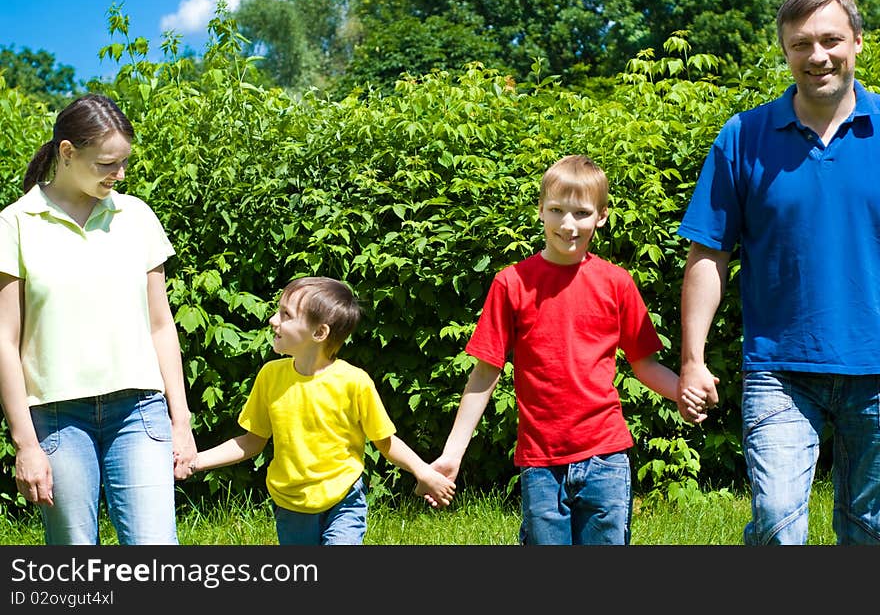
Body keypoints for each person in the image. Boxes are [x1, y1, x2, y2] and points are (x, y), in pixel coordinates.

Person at [677, 0, 880, 545]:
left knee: (871, 530)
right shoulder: (743, 137)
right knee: (778, 525)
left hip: (878, 367)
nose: (818, 56)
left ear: (857, 42)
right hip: (780, 369)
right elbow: (708, 253)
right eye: (801, 44)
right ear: (785, 51)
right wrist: (692, 359)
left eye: (831, 40)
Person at [426, 154, 707, 545]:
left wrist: (683, 392)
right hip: (540, 464)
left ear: (602, 216)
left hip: (607, 458)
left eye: (581, 212)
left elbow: (644, 364)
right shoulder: (511, 284)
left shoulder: (617, 283)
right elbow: (485, 373)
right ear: (540, 210)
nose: (568, 224)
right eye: (556, 210)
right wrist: (453, 453)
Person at [0, 93, 197, 545]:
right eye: (108, 163)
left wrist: (180, 422)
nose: (120, 174)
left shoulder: (137, 216)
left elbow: (161, 325)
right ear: (67, 152)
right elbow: (5, 342)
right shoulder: (15, 224)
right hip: (57, 417)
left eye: (124, 162)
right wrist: (25, 444)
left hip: (140, 412)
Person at [186, 275, 456, 545]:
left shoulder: (354, 382)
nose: (273, 320)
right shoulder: (270, 376)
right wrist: (195, 461)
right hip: (291, 504)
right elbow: (252, 441)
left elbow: (384, 441)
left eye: (285, 315)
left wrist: (423, 472)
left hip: (344, 498)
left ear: (319, 333)